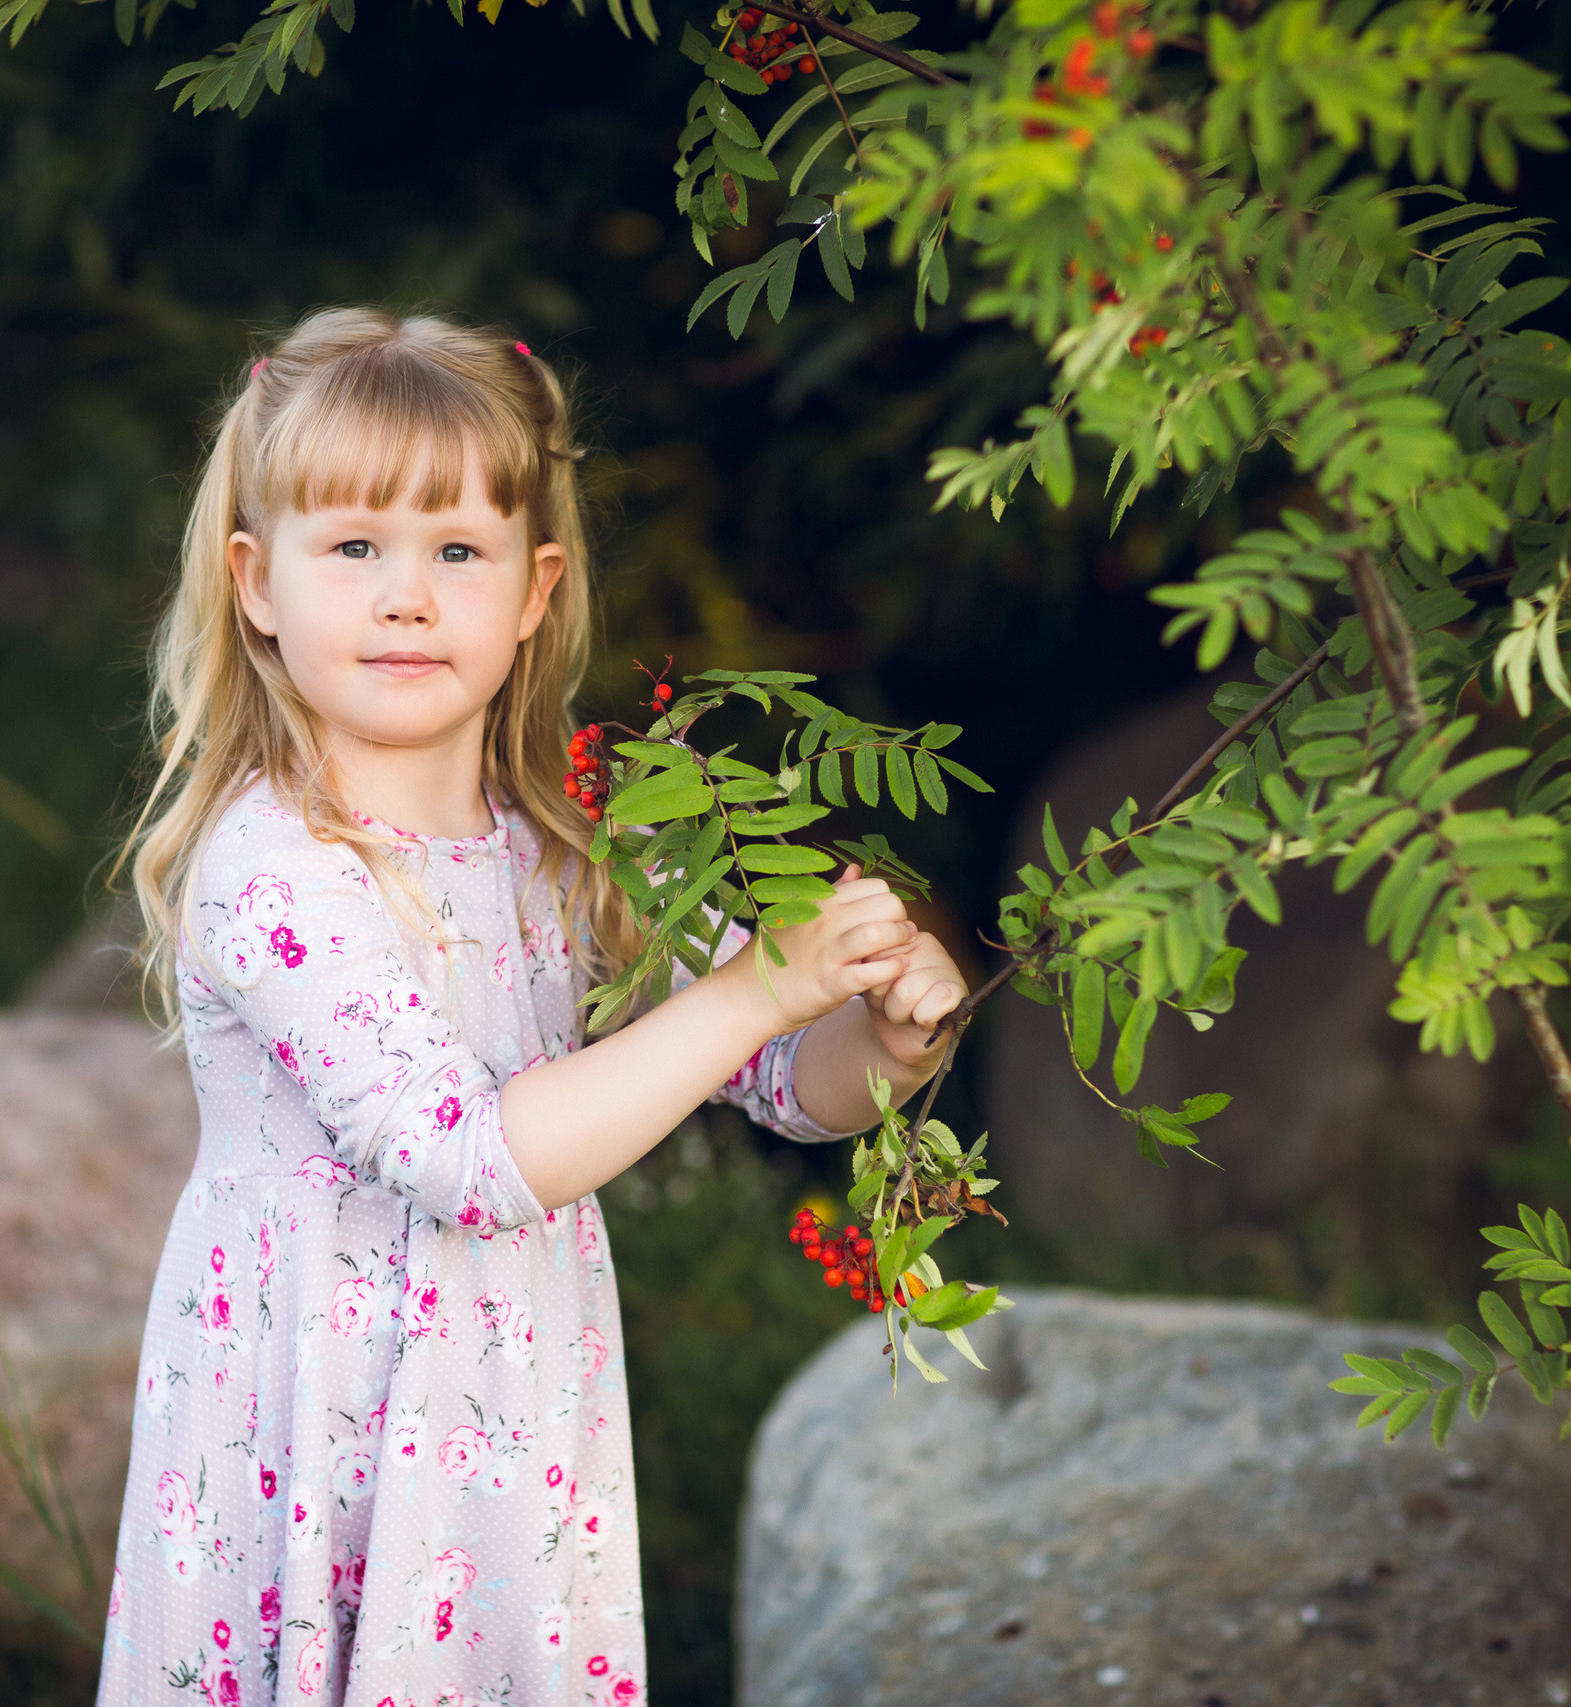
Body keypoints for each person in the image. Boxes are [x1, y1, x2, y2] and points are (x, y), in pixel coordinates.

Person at [102, 308, 964, 1707]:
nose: (406, 596)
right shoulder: (272, 865)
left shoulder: (583, 847)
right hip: (311, 1429)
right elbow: (471, 1159)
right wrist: (760, 983)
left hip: (504, 1439)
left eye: (456, 551)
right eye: (353, 548)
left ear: (534, 587)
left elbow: (788, 1082)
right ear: (255, 581)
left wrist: (888, 1035)